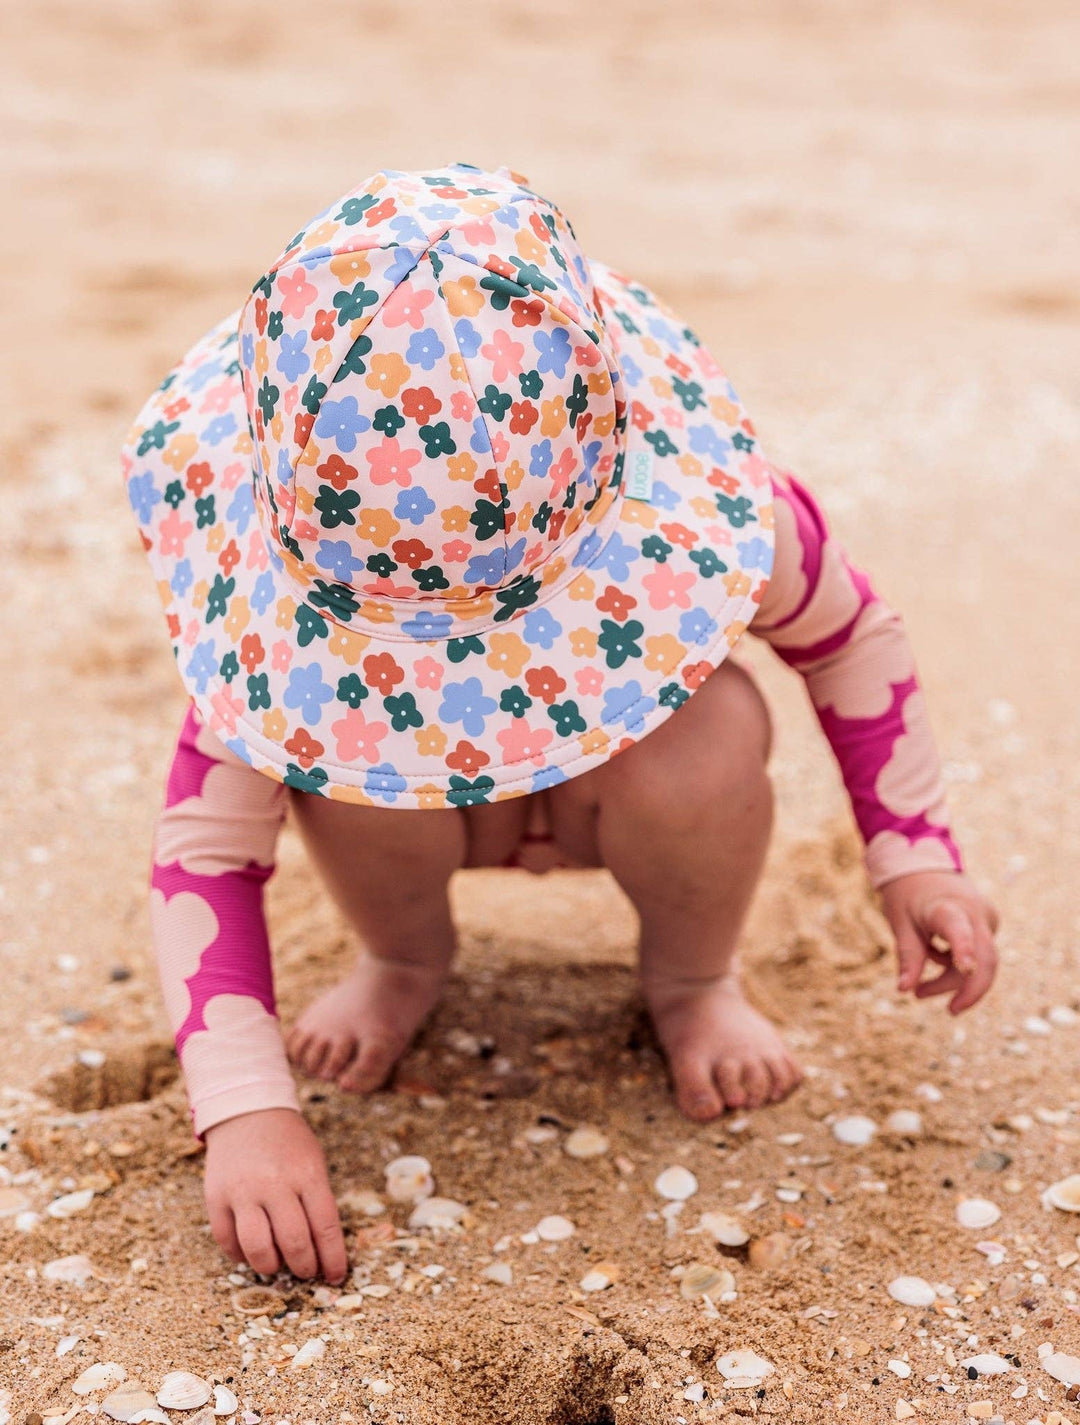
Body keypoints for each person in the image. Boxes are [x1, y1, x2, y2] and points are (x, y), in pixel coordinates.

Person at [123, 163, 998, 1285]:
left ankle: (691, 978)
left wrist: (913, 855)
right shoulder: (266, 631)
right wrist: (243, 1112)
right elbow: (205, 851)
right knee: (319, 772)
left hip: (625, 786)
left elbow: (853, 641)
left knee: (713, 729)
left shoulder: (728, 520)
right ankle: (403, 954)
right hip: (424, 807)